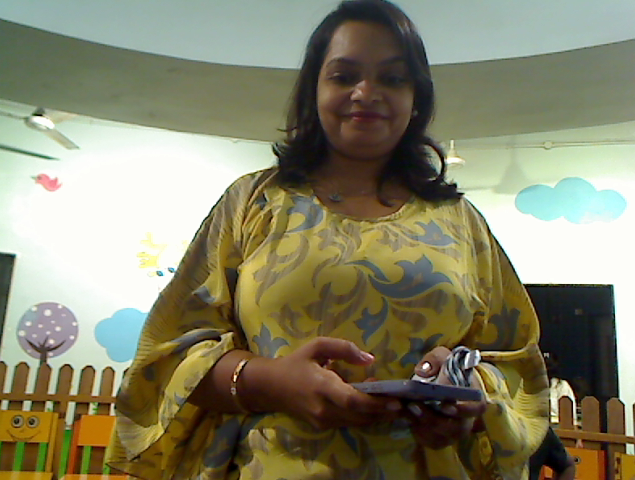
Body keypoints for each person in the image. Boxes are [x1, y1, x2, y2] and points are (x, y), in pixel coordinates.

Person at [107, 0, 549, 478]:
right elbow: (167, 357)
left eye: (392, 78)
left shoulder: (461, 223)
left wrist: (467, 390)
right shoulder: (253, 203)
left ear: (416, 98)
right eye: (344, 76)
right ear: (313, 90)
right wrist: (268, 381)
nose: (367, 92)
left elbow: (516, 366)